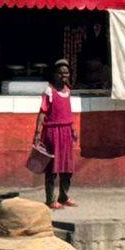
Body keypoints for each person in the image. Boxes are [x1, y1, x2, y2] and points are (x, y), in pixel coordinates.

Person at [36, 59, 79, 210]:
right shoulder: (49, 91)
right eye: (60, 73)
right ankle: (50, 199)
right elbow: (42, 113)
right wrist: (37, 134)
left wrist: (73, 127)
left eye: (66, 73)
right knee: (52, 168)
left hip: (66, 132)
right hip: (52, 132)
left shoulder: (68, 90)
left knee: (67, 167)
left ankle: (64, 196)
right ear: (55, 74)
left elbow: (68, 111)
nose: (63, 76)